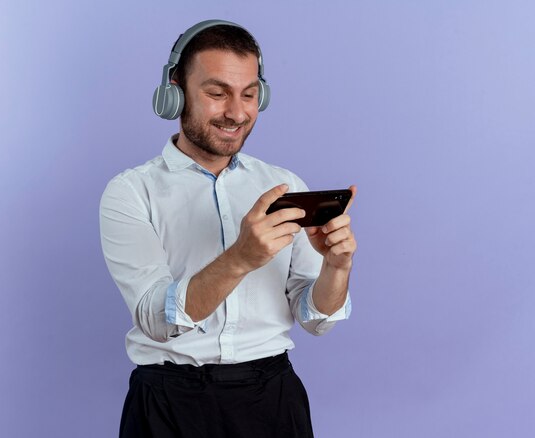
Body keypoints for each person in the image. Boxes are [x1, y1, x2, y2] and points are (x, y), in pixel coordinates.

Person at [100, 19, 357, 438]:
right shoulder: (130, 192)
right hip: (168, 405)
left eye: (250, 94)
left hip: (273, 400)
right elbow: (155, 319)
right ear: (174, 91)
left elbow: (316, 319)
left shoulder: (285, 184)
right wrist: (241, 258)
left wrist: (338, 268)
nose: (236, 113)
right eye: (217, 93)